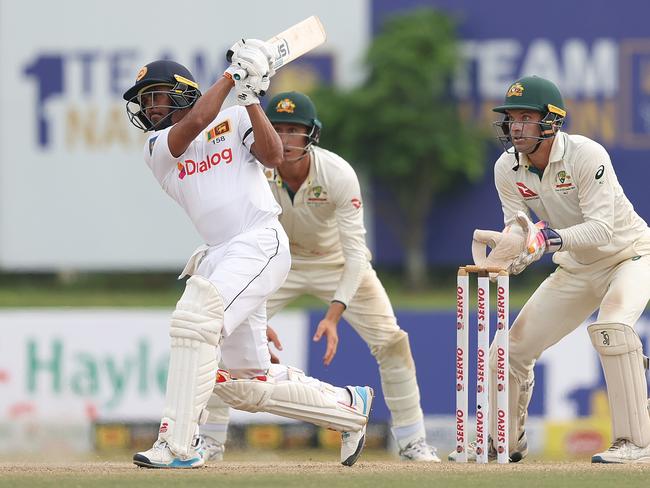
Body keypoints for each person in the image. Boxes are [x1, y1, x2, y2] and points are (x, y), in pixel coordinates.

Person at [122, 43, 374, 469]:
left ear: (183, 92)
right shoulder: (158, 146)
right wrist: (232, 77)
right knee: (245, 382)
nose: (149, 108)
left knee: (195, 320)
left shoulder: (234, 116)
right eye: (144, 101)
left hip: (259, 240)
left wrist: (252, 97)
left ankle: (178, 445)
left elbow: (273, 156)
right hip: (221, 254)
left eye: (157, 97)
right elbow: (197, 123)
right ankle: (347, 407)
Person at [199, 91, 440, 463]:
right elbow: (233, 235)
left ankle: (412, 442)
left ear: (312, 134)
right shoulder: (252, 170)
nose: (283, 139)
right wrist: (249, 311)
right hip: (274, 263)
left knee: (392, 342)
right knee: (215, 333)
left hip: (337, 265)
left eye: (294, 130)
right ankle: (211, 442)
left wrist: (333, 314)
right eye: (276, 129)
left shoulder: (337, 173)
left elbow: (357, 252)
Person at [450, 75, 650, 463]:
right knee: (506, 351)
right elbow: (518, 225)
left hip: (631, 255)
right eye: (511, 118)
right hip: (577, 268)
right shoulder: (506, 168)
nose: (516, 127)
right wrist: (513, 248)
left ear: (551, 121)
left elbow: (601, 229)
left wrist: (546, 241)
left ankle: (635, 442)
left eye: (526, 117)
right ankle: (502, 441)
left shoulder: (586, 156)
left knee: (611, 328)